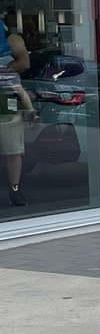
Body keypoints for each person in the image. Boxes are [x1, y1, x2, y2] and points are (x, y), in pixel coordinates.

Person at [0, 19, 34, 207]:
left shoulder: (12, 39)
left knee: (12, 151)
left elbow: (24, 62)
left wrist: (6, 69)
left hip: (7, 101)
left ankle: (15, 189)